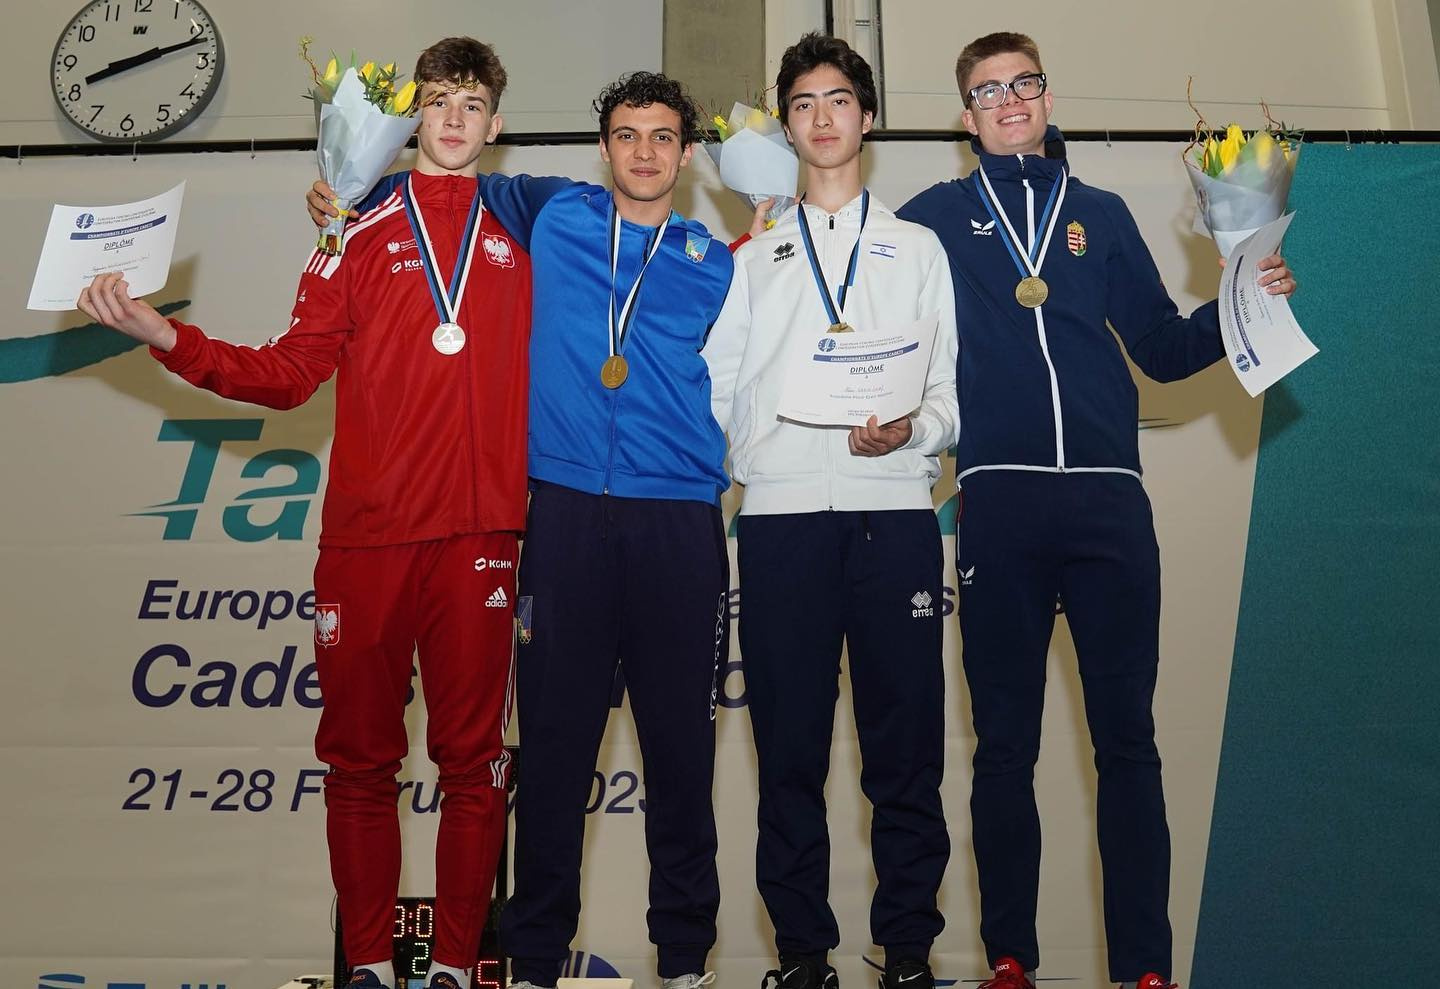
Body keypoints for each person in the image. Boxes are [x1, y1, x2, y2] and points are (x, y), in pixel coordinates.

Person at [80, 37, 532, 989]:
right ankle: (366, 966)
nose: (454, 119)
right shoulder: (349, 232)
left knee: (473, 764)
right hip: (366, 541)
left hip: (480, 538)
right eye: (438, 102)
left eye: (472, 104)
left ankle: (456, 969)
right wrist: (166, 334)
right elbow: (289, 376)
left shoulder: (532, 230)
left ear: (496, 125)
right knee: (360, 763)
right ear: (411, 122)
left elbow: (640, 222)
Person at [312, 70, 735, 989]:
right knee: (548, 751)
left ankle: (685, 962)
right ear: (604, 146)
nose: (645, 152)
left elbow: (746, 378)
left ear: (689, 153)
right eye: (627, 134)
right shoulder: (546, 211)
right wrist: (345, 189)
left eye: (663, 137)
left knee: (680, 755)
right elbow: (434, 173)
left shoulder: (720, 257)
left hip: (680, 518)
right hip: (566, 513)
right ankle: (535, 960)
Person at [896, 32, 1298, 989]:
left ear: (1044, 94)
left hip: (1112, 506)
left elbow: (1159, 348)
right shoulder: (930, 220)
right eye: (986, 91)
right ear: (965, 115)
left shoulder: (1104, 214)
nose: (1007, 101)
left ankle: (1145, 970)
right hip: (998, 503)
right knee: (1005, 749)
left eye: (1022, 84)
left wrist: (1244, 295)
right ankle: (1010, 960)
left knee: (1129, 744)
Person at [702, 33, 958, 989]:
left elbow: (950, 391)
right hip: (778, 525)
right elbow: (721, 385)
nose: (822, 116)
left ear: (867, 115)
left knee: (906, 754)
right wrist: (759, 457)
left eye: (839, 99)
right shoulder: (754, 254)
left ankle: (907, 954)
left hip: (893, 519)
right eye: (802, 102)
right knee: (790, 752)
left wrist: (917, 434)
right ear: (789, 121)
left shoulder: (920, 249)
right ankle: (803, 956)